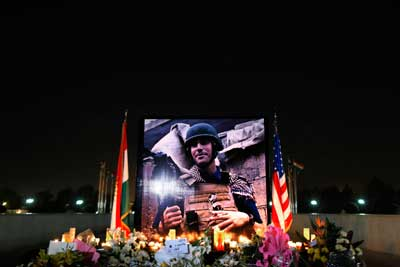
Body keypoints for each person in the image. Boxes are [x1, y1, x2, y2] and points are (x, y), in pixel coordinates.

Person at [154, 122, 262, 235]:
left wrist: (246, 218)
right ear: (190, 152)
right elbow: (157, 230)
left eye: (204, 143)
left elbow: (261, 229)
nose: (199, 148)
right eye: (194, 145)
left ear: (214, 147)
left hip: (233, 251)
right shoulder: (178, 187)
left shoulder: (237, 183)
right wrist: (164, 226)